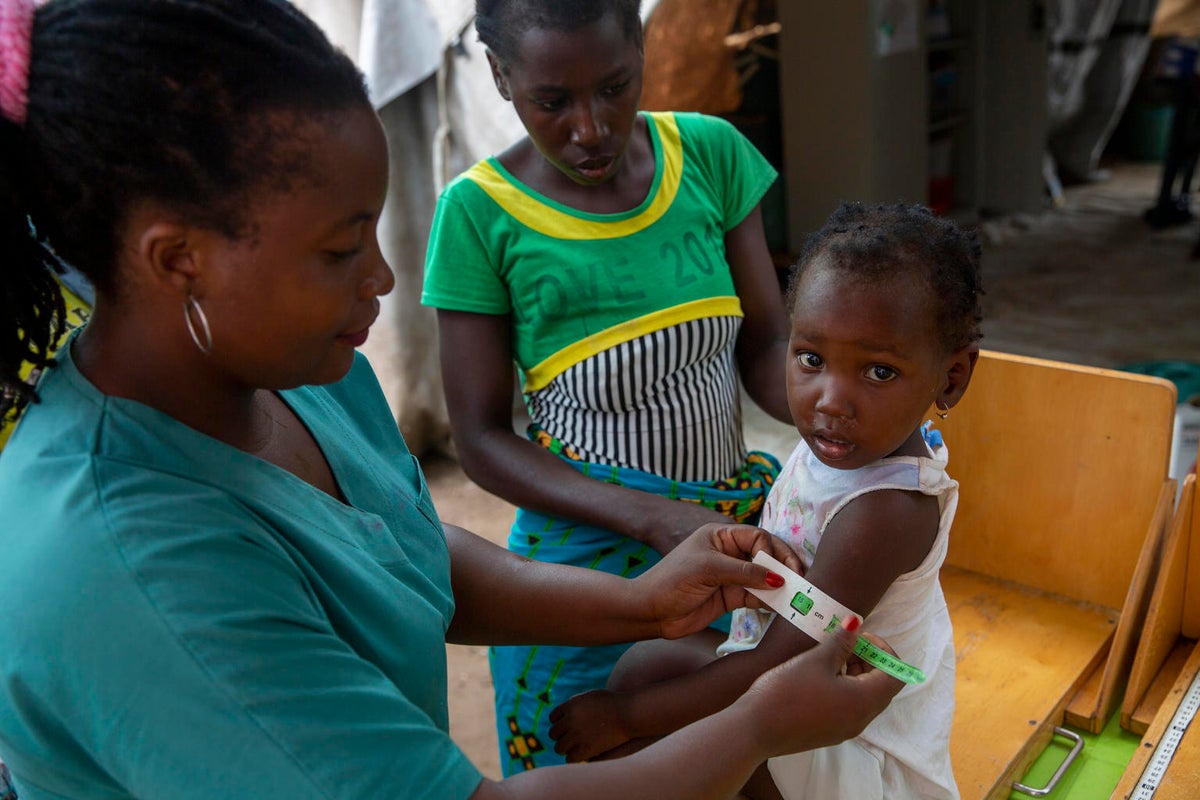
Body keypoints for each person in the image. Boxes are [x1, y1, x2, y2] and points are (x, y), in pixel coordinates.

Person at [0, 1, 906, 798]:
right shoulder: (128, 572)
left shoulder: (298, 376)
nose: (384, 277)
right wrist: (757, 721)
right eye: (340, 248)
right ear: (177, 258)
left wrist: (641, 605)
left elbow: (396, 550)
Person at [420, 0, 793, 773]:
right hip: (576, 568)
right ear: (500, 76)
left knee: (724, 760)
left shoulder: (711, 156)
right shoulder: (479, 214)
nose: (589, 128)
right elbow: (483, 440)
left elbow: (766, 345)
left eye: (615, 87)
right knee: (595, 765)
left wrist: (848, 426)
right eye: (552, 102)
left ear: (642, 49)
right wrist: (655, 518)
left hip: (717, 533)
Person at [548, 203, 983, 800]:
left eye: (878, 372)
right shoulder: (842, 446)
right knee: (647, 668)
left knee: (654, 722)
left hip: (856, 739)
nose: (831, 399)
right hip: (790, 680)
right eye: (811, 359)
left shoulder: (885, 511)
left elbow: (772, 670)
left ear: (950, 380)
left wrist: (627, 718)